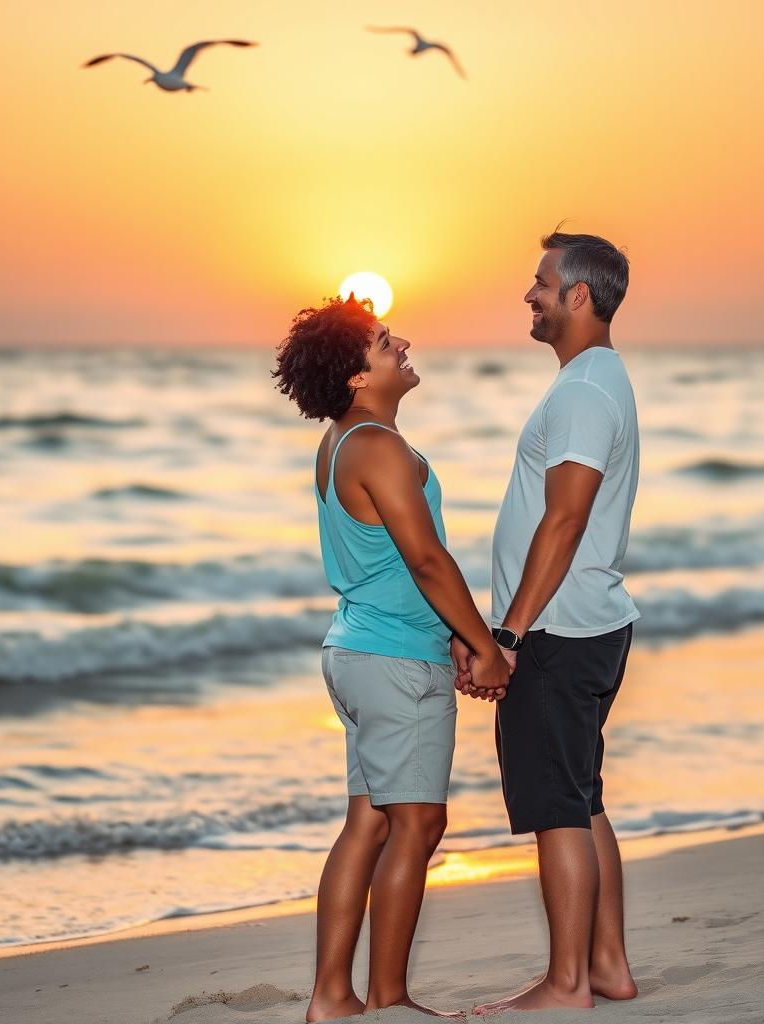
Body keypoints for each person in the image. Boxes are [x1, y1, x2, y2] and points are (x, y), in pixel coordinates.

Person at [273, 296, 510, 1022]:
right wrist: (484, 646)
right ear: (353, 375)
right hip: (394, 664)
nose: (401, 344)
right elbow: (428, 561)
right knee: (418, 825)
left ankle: (332, 999)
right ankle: (389, 1000)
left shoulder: (346, 441)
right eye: (382, 342)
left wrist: (451, 636)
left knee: (370, 822)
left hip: (360, 652)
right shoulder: (376, 447)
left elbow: (391, 568)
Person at [460, 230, 641, 1013]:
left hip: (560, 632)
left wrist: (506, 637)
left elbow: (563, 522)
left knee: (559, 807)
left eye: (539, 283)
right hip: (584, 622)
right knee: (581, 795)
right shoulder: (594, 380)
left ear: (577, 296)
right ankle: (606, 966)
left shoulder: (582, 392)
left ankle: (567, 984)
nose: (528, 295)